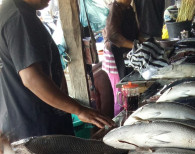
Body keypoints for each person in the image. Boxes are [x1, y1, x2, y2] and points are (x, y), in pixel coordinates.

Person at [0, 0, 114, 143]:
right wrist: (78, 110)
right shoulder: (20, 18)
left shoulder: (7, 12)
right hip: (37, 132)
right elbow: (31, 78)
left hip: (17, 126)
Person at [102, 0, 139, 116]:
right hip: (114, 60)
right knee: (120, 96)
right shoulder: (114, 9)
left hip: (125, 58)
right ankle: (119, 125)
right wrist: (137, 46)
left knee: (127, 93)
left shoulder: (127, 8)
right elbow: (114, 37)